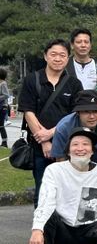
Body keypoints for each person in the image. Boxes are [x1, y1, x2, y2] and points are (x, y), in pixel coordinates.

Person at [18, 39, 84, 208]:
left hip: (67, 145)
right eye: (53, 54)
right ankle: (42, 223)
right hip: (39, 146)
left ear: (68, 58)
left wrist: (51, 133)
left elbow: (75, 114)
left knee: (67, 189)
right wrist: (44, 141)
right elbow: (28, 111)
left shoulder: (74, 83)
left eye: (62, 55)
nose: (58, 58)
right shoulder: (32, 79)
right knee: (42, 188)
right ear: (45, 56)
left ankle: (63, 224)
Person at [51, 90, 97, 171]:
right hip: (71, 168)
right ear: (78, 113)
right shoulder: (63, 127)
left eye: (96, 111)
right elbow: (60, 158)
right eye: (86, 112)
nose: (92, 116)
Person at [0, 67, 8, 147]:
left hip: (2, 107)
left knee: (1, 125)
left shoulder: (3, 84)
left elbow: (6, 95)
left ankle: (4, 142)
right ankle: (3, 142)